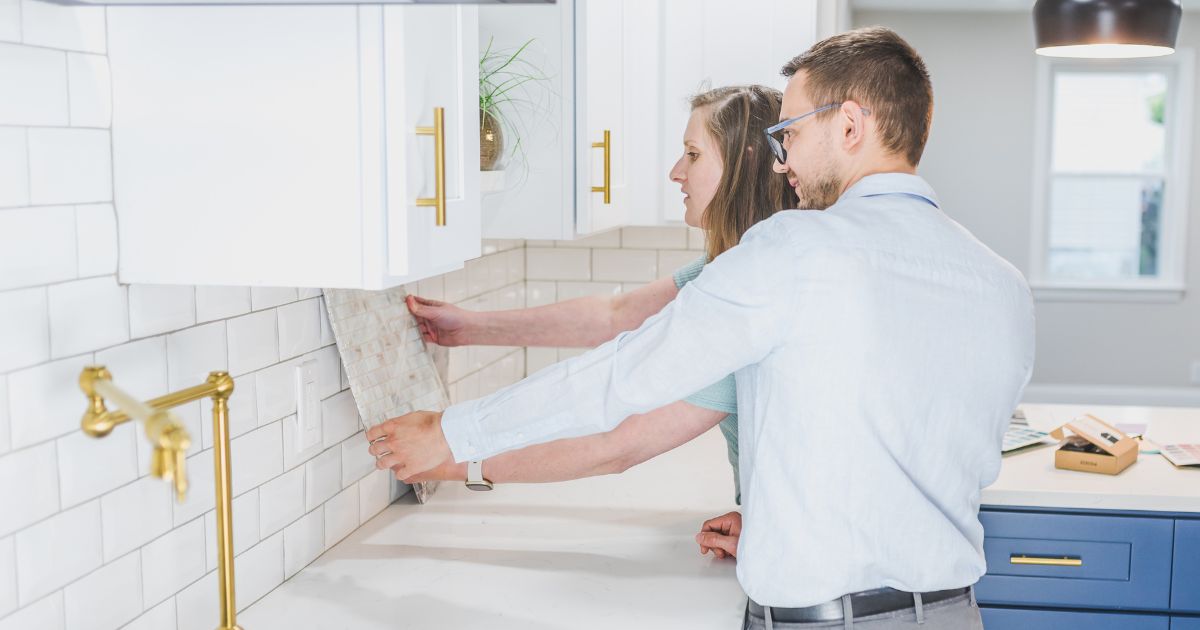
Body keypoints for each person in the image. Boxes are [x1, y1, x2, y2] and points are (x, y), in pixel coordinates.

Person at [370, 27, 1036, 630]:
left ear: (852, 125)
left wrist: (453, 434)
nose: (782, 162)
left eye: (793, 133)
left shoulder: (796, 252)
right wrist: (784, 527)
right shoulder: (1001, 284)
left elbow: (627, 371)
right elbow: (916, 448)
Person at [402, 84, 797, 559]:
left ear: (745, 162)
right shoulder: (735, 266)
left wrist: (448, 457)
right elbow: (618, 315)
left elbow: (618, 445)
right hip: (784, 537)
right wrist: (471, 327)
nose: (676, 172)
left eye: (692, 155)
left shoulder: (748, 293)